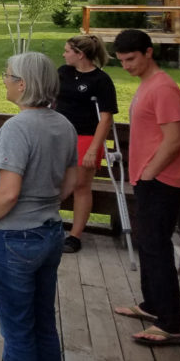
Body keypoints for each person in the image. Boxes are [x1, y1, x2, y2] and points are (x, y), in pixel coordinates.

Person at [0, 52, 77, 361]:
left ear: (23, 84)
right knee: (44, 329)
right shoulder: (63, 124)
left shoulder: (17, 128)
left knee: (18, 334)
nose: (3, 79)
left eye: (7, 75)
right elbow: (69, 183)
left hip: (14, 239)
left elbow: (8, 192)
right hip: (49, 233)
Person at [110, 29, 180, 347]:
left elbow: (174, 141)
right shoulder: (148, 85)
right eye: (121, 61)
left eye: (131, 59)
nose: (126, 66)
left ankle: (170, 324)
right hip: (148, 180)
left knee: (157, 250)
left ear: (148, 53)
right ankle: (151, 305)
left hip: (162, 182)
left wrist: (149, 174)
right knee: (148, 244)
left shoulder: (165, 89)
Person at [54, 35, 117, 253]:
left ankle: (75, 235)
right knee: (53, 182)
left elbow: (106, 118)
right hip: (59, 136)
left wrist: (94, 150)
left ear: (80, 54)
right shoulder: (63, 72)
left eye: (67, 50)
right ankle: (50, 226)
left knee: (80, 186)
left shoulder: (101, 80)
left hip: (86, 138)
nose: (64, 54)